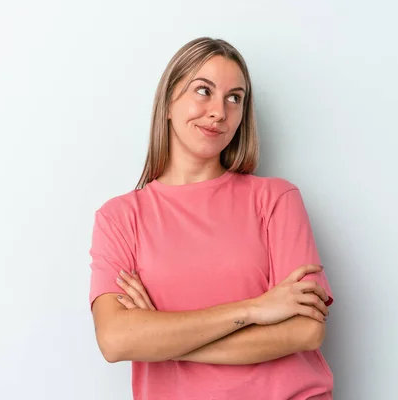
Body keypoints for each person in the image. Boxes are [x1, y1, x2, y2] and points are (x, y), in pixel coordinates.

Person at [88, 37, 335, 400]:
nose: (219, 111)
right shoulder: (120, 218)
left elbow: (305, 332)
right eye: (203, 91)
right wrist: (256, 309)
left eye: (234, 98)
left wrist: (160, 337)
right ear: (168, 103)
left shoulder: (275, 199)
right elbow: (115, 340)